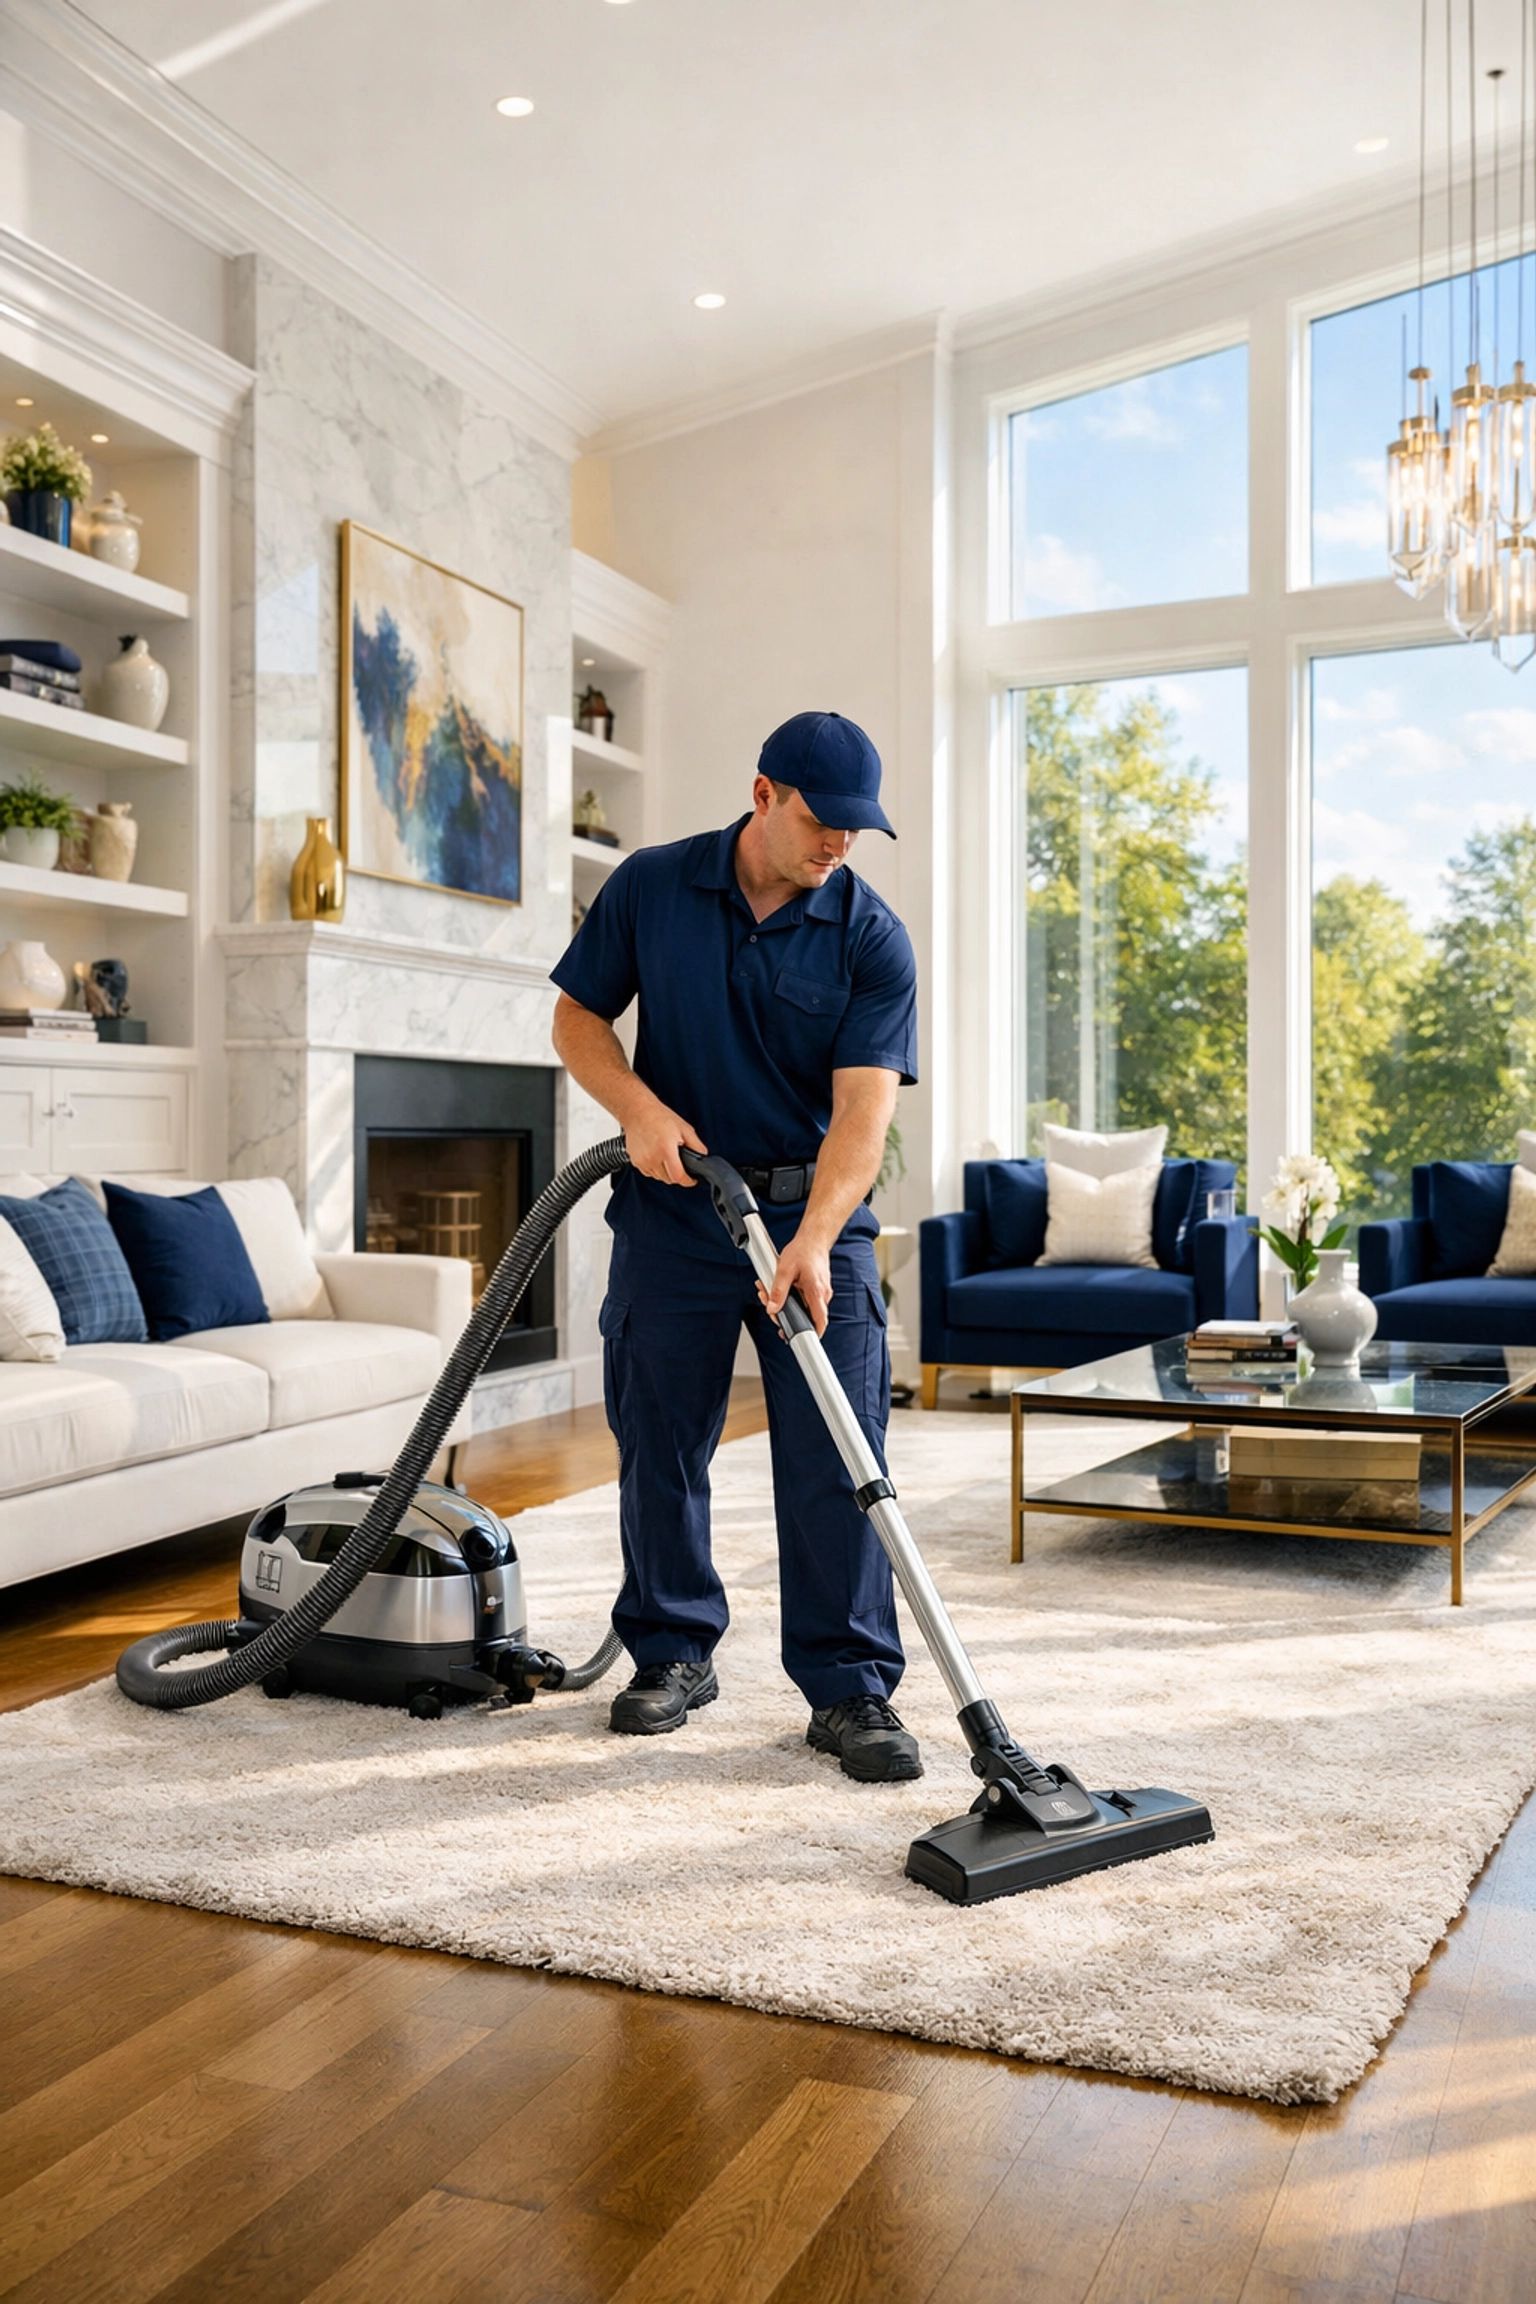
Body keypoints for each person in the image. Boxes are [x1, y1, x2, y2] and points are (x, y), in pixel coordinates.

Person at [550, 710, 921, 1782]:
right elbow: (579, 1020)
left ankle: (850, 1687)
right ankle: (670, 1652)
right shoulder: (652, 886)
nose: (838, 845)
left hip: (816, 1226)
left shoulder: (869, 933)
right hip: (675, 1215)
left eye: (857, 830)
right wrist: (636, 1108)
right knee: (660, 1437)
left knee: (839, 1457)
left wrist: (813, 1239)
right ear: (764, 795)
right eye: (822, 821)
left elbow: (862, 1119)